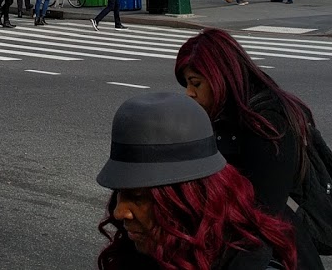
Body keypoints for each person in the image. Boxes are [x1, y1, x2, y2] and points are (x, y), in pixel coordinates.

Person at [95, 91, 299, 270]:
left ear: (191, 198)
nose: (119, 212)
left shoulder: (250, 262)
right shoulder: (138, 253)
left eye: (138, 197)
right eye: (119, 193)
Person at [175, 29, 322, 270]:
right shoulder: (227, 111)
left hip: (269, 251)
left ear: (219, 78)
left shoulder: (269, 121)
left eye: (196, 83)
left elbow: (263, 211)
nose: (189, 93)